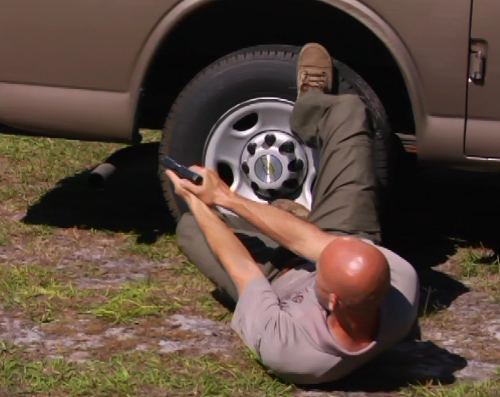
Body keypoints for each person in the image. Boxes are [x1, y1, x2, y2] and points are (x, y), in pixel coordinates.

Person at [165, 43, 420, 385]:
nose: (315, 256)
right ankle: (312, 106)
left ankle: (289, 214)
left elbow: (242, 269)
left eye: (322, 270)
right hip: (344, 233)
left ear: (333, 300)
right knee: (348, 110)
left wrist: (198, 199)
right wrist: (225, 195)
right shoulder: (400, 284)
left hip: (272, 278)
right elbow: (313, 243)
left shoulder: (290, 349)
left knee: (191, 225)